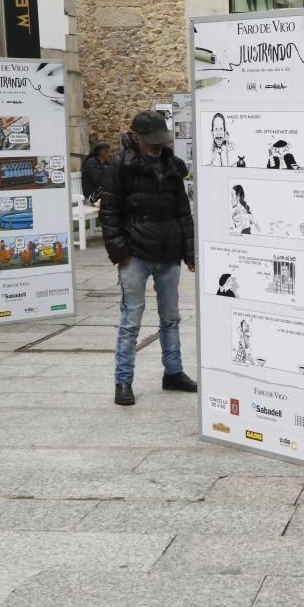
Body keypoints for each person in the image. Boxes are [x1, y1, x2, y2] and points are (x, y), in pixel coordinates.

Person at [100, 110, 197, 407]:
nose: (157, 146)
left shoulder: (171, 166)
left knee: (171, 317)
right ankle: (123, 380)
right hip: (136, 254)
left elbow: (183, 211)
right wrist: (121, 253)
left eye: (160, 141)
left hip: (168, 251)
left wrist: (189, 252)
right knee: (132, 319)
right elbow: (109, 212)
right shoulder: (120, 165)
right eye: (152, 141)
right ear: (136, 137)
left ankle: (174, 372)